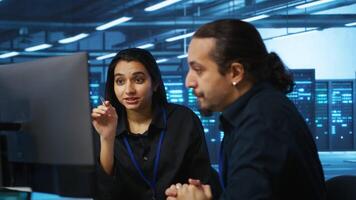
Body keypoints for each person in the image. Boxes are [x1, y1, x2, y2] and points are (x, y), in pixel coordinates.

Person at [165, 19, 326, 200]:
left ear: (235, 72)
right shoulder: (255, 111)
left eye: (198, 70)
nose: (189, 82)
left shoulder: (263, 125)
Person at [91, 48, 214, 200]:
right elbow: (104, 193)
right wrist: (107, 138)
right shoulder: (104, 125)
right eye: (120, 81)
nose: (129, 90)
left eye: (138, 80)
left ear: (155, 83)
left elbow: (202, 181)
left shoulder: (184, 120)